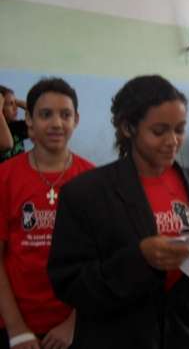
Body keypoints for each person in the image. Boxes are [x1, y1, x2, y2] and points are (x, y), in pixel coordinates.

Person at [48, 75, 189, 349]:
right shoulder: (87, 194)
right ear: (128, 127)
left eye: (180, 130)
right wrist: (139, 259)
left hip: (187, 337)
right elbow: (69, 284)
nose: (172, 141)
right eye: (159, 131)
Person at [0, 78, 94, 349]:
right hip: (15, 324)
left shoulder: (92, 180)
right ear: (29, 120)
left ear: (76, 120)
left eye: (65, 115)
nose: (56, 123)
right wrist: (17, 329)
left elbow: (99, 260)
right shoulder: (5, 177)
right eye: (45, 114)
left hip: (74, 325)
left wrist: (73, 323)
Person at [0, 86, 28, 163]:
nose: (16, 108)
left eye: (15, 103)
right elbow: (8, 144)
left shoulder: (16, 127)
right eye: (10, 104)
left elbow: (41, 122)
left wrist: (19, 102)